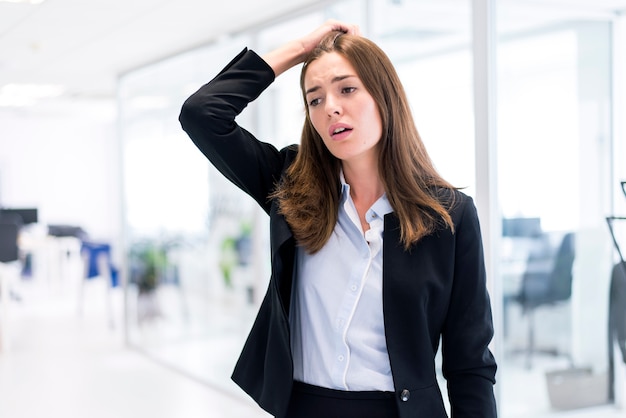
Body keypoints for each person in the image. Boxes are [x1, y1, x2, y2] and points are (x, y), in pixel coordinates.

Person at [179, 19, 497, 418]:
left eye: (347, 89)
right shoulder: (290, 185)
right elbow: (201, 113)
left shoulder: (448, 216)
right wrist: (300, 49)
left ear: (385, 97)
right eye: (314, 99)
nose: (330, 107)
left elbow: (470, 364)